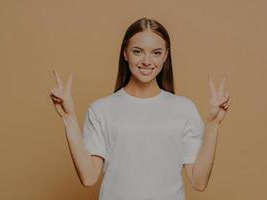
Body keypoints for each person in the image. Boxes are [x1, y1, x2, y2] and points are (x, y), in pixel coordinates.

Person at [49, 17, 231, 200]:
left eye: (156, 53)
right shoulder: (101, 109)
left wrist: (213, 124)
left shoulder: (184, 108)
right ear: (125, 53)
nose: (147, 61)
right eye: (137, 51)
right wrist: (68, 118)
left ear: (166, 55)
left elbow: (198, 181)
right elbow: (88, 177)